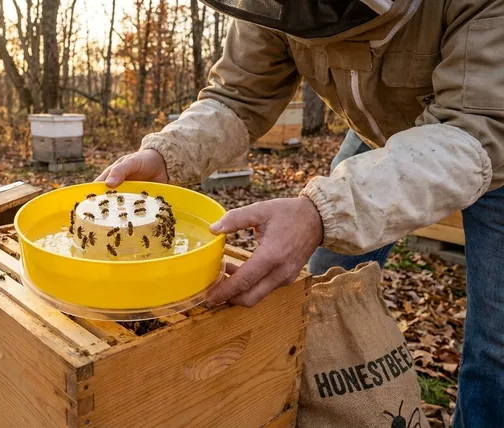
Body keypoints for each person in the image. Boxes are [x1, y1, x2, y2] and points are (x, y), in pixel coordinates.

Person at [95, 0, 504, 426]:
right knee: (326, 280)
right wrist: (168, 155)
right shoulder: (272, 6)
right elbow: (239, 95)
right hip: (378, 135)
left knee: (496, 342)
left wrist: (320, 213)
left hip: (490, 138)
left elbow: (479, 127)